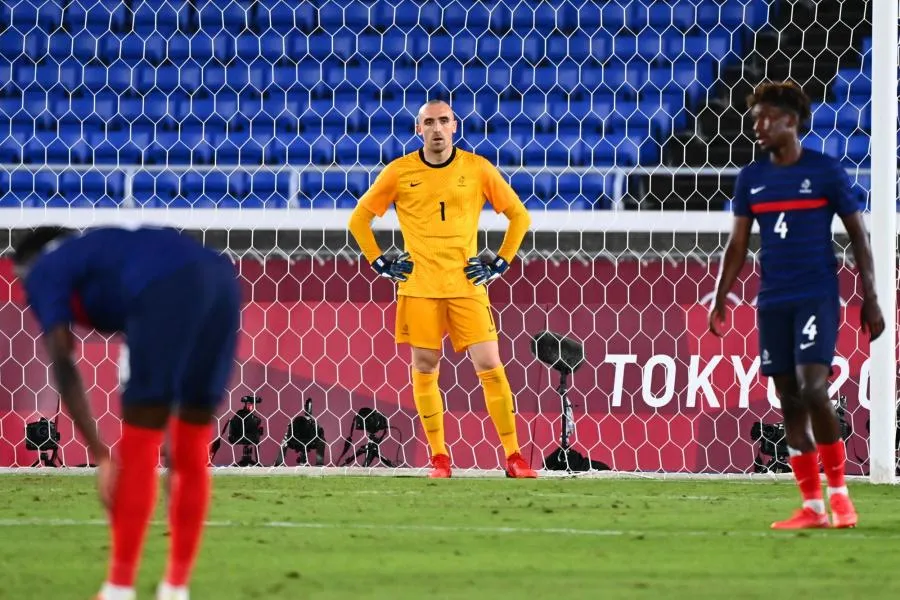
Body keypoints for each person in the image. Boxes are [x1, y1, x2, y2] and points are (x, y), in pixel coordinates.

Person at [13, 226, 241, 600]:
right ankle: (176, 587)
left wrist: (100, 454)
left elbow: (62, 361)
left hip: (164, 289)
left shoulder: (44, 268)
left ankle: (119, 587)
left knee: (139, 441)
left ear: (28, 264)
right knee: (191, 443)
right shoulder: (99, 251)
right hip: (221, 280)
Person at [708, 82, 884, 529]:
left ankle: (841, 496)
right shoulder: (752, 178)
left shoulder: (825, 171)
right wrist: (720, 296)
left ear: (791, 120)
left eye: (765, 119)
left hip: (816, 295)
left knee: (812, 388)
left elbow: (859, 236)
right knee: (787, 397)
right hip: (773, 300)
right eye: (754, 121)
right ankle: (813, 505)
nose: (757, 128)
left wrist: (871, 296)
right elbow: (738, 243)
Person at [348, 99, 536, 478]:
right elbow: (358, 220)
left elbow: (519, 215)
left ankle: (514, 456)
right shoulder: (399, 172)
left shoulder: (477, 168)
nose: (436, 128)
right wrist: (379, 262)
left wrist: (500, 263)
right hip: (419, 288)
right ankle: (439, 458)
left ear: (455, 126)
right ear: (419, 129)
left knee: (490, 366)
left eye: (443, 121)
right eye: (429, 122)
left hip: (466, 286)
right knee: (425, 367)